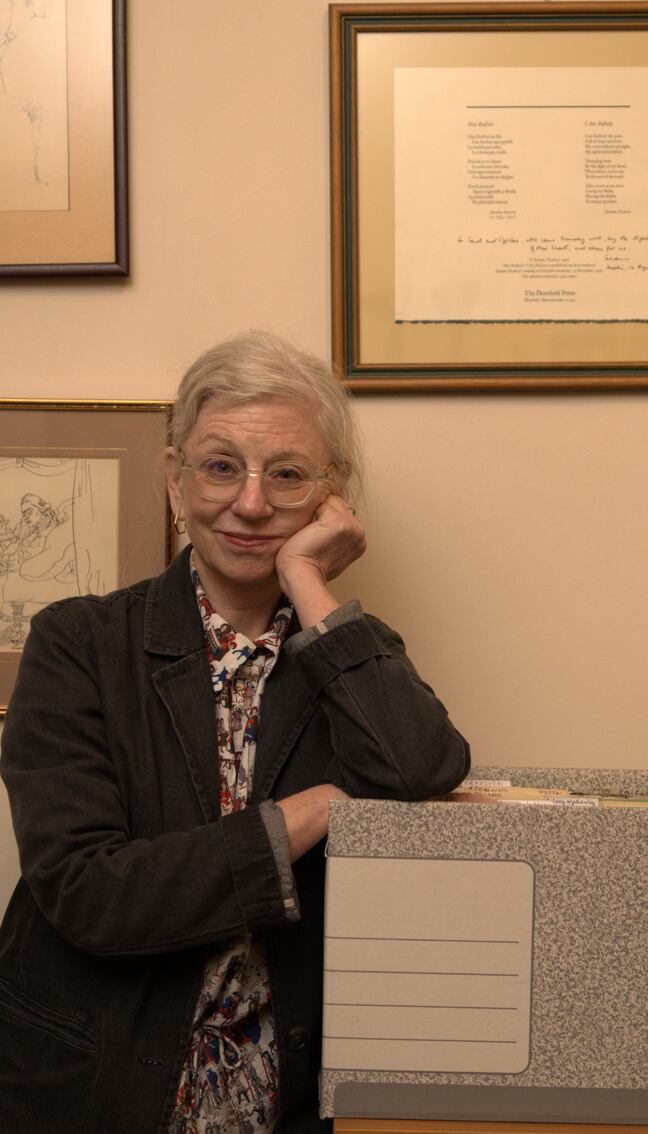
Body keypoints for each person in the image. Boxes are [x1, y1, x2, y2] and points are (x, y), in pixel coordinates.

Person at [0, 330, 470, 1134]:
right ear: (175, 482)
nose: (251, 503)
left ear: (332, 496)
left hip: (282, 1094)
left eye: (287, 475)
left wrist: (307, 581)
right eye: (220, 466)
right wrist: (306, 811)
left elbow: (424, 767)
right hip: (95, 1084)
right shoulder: (77, 642)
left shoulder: (347, 653)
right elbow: (88, 892)